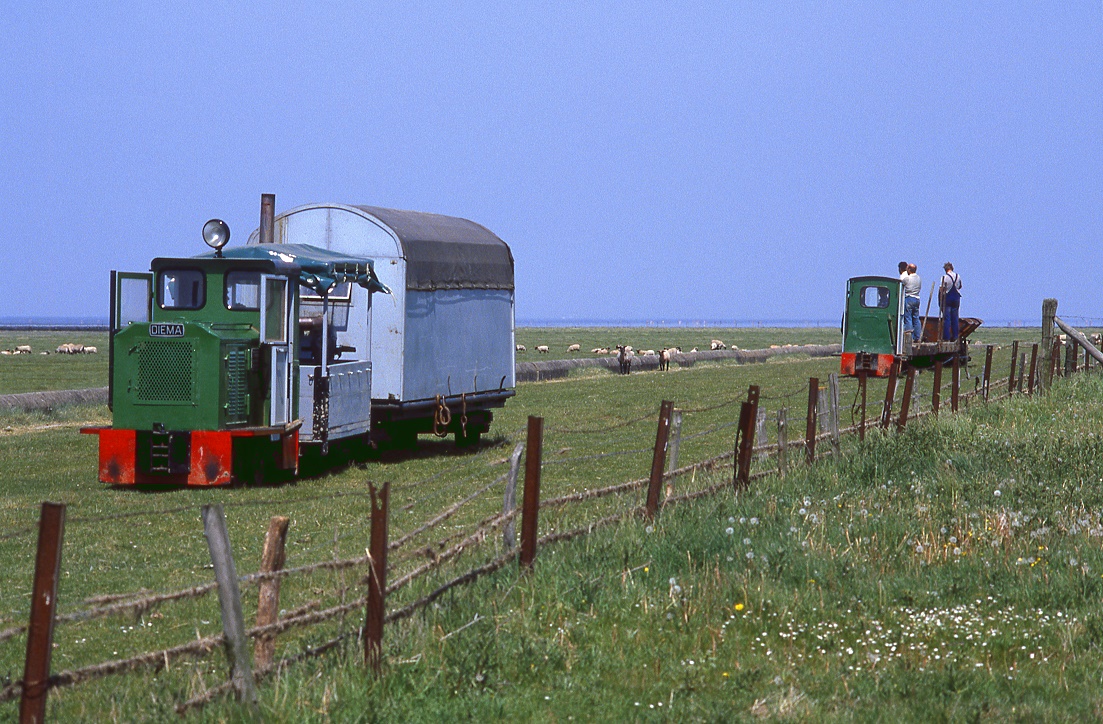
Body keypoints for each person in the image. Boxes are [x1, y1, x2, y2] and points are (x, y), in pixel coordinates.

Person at [940, 262, 963, 341]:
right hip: (956, 298)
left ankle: (946, 337)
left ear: (945, 269)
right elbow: (960, 286)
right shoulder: (958, 276)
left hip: (948, 298)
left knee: (947, 319)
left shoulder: (944, 277)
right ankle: (955, 336)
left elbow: (942, 289)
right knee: (955, 318)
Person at [902, 263, 922, 343]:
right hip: (917, 298)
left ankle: (909, 337)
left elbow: (901, 284)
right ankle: (917, 336)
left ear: (909, 269)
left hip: (909, 298)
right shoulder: (919, 278)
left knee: (908, 318)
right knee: (916, 318)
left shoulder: (907, 278)